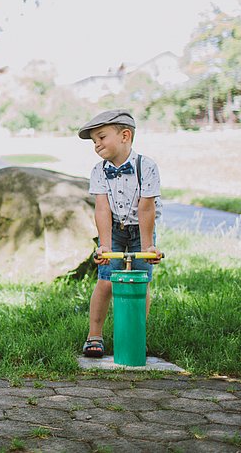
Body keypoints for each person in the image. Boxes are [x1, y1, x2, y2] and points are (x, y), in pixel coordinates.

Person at [78, 109, 162, 358]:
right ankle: (95, 335)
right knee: (105, 280)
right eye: (94, 141)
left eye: (101, 137)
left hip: (140, 229)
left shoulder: (146, 166)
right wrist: (104, 245)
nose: (97, 144)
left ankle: (135, 335)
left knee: (140, 282)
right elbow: (102, 208)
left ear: (125, 135)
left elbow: (146, 207)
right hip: (114, 228)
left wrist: (147, 247)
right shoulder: (99, 170)